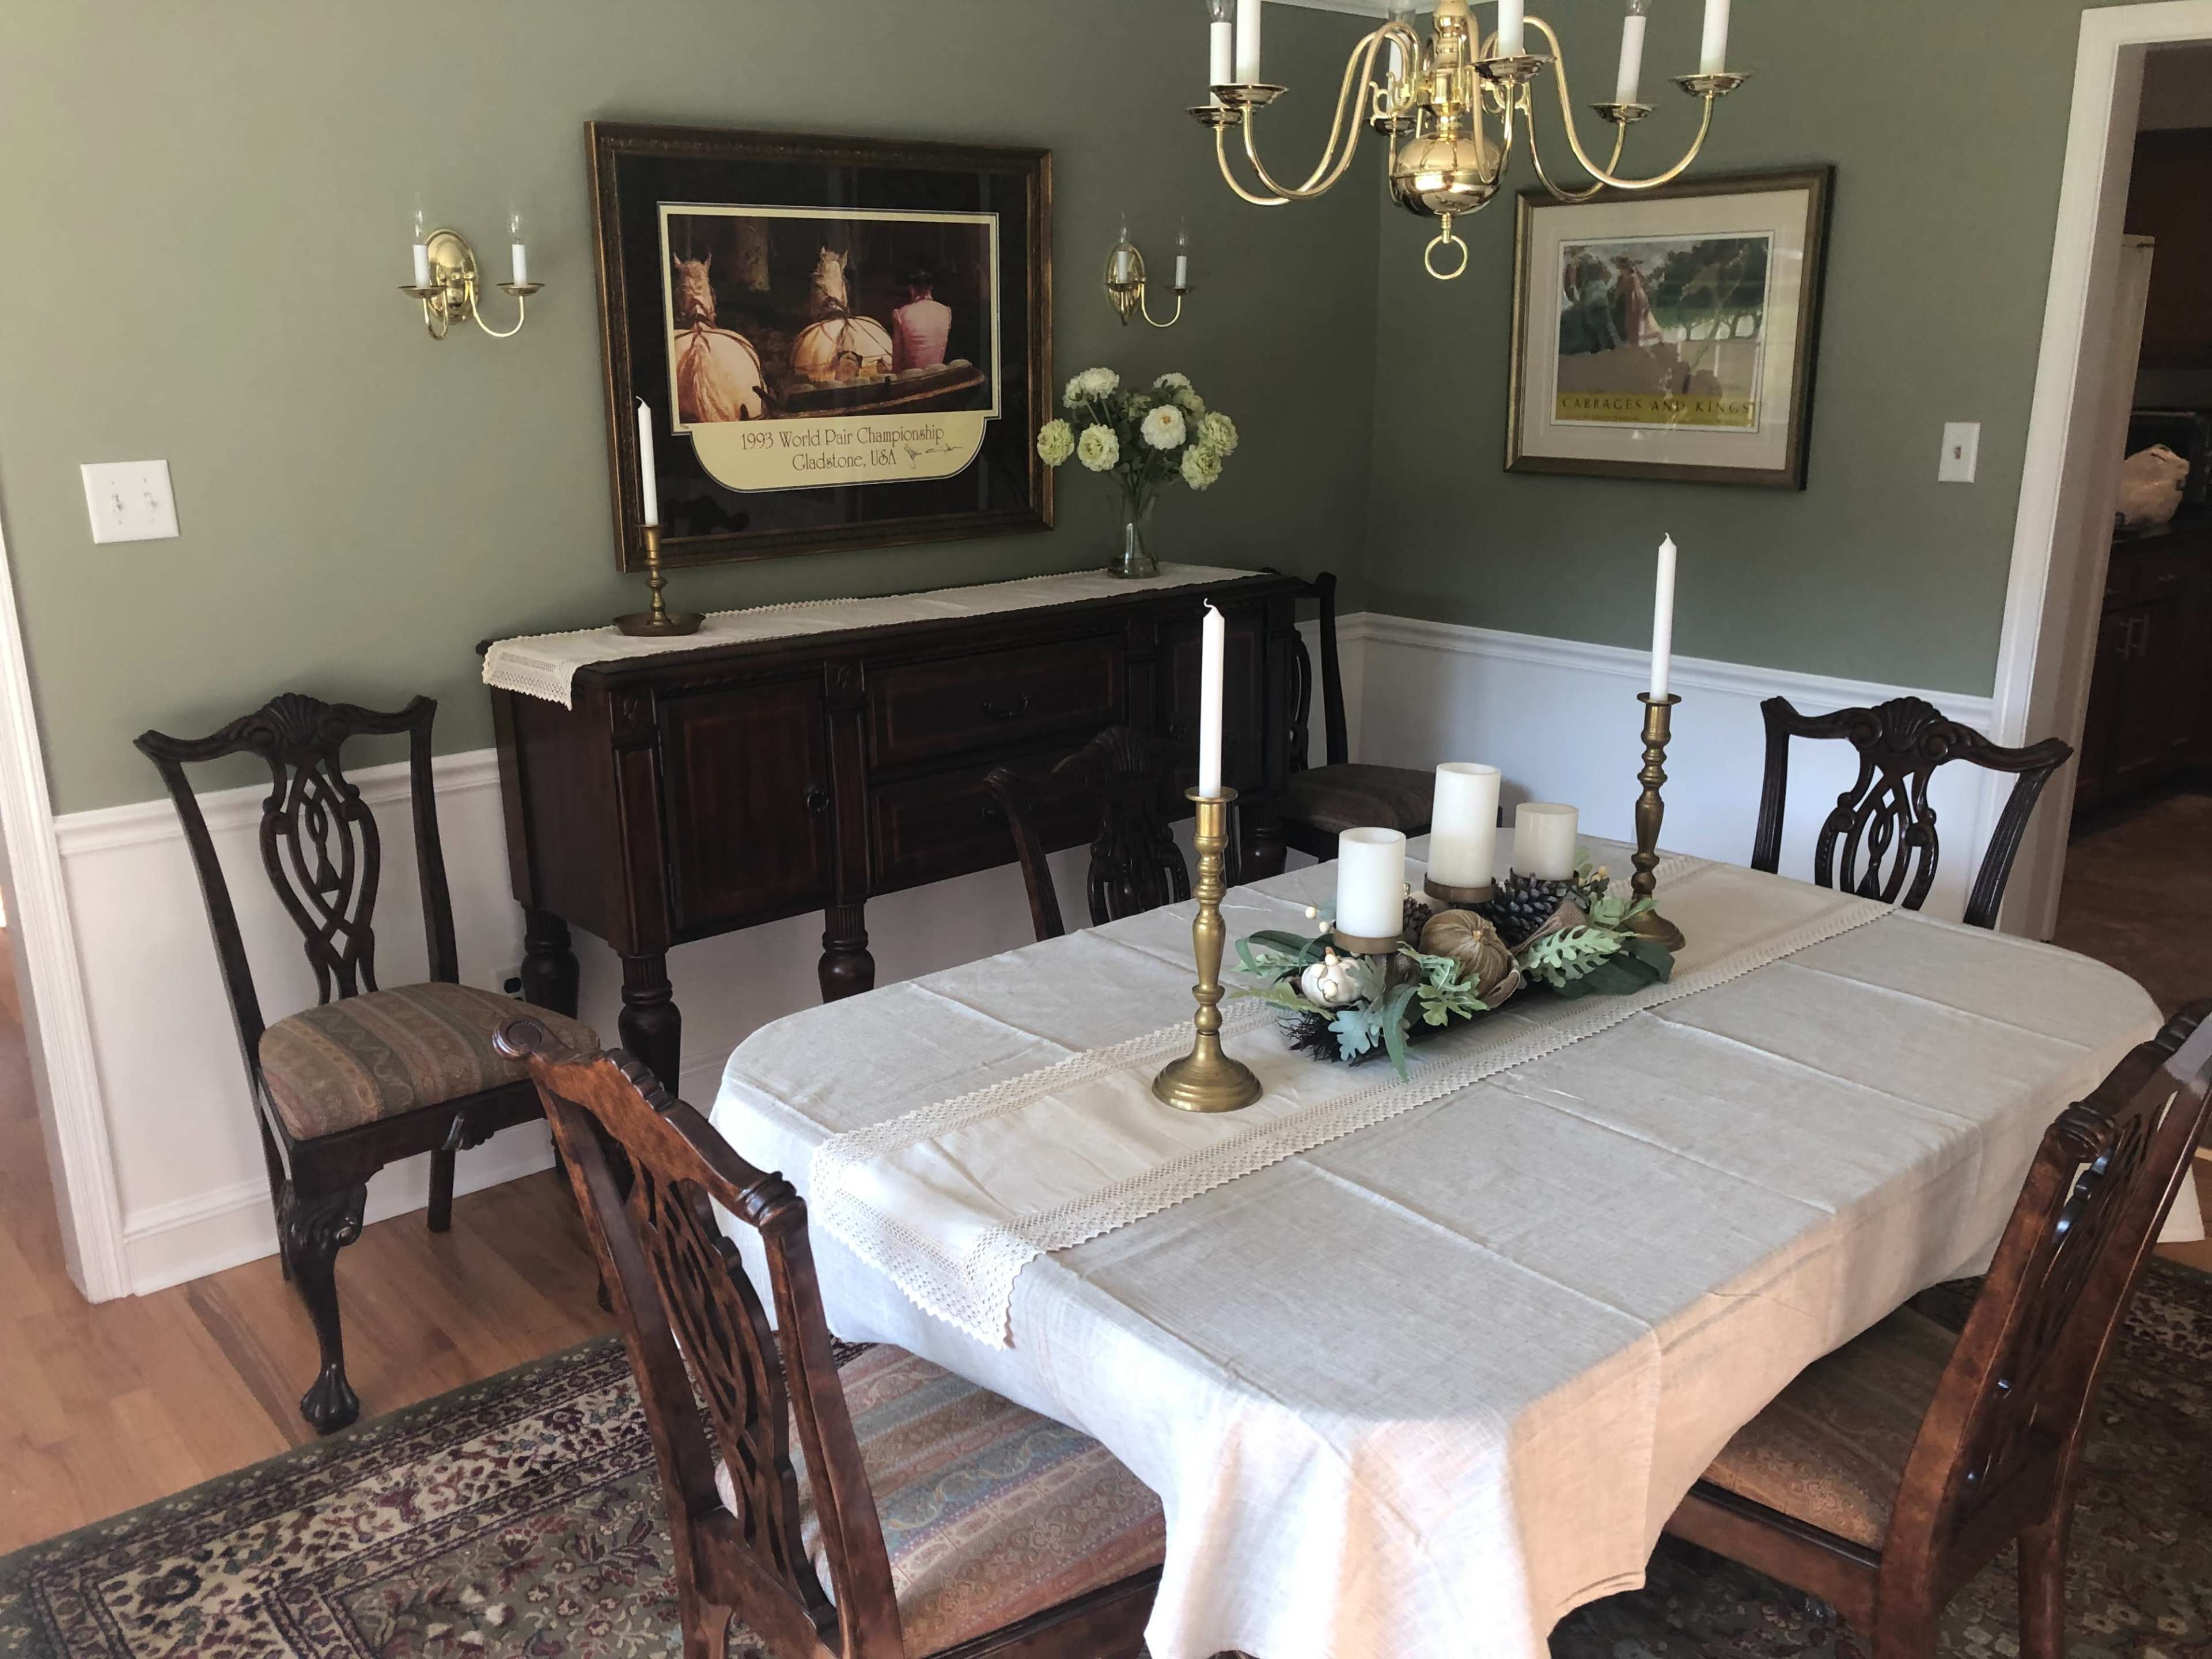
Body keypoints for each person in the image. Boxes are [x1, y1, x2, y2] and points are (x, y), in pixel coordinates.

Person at [891, 269, 953, 372]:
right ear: (931, 288)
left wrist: (894, 379)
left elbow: (897, 356)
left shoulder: (901, 314)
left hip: (911, 378)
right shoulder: (946, 311)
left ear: (911, 289)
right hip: (937, 373)